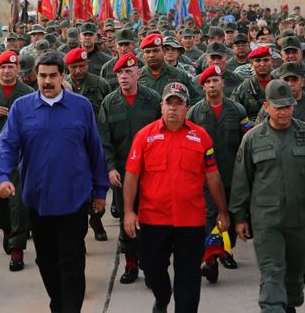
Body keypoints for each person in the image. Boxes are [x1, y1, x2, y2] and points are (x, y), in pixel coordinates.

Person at [0, 52, 109, 313]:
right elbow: (7, 145)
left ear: (62, 76)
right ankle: (58, 303)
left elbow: (95, 150)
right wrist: (2, 177)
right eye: (42, 75)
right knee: (46, 260)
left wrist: (100, 189)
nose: (47, 81)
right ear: (36, 75)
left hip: (74, 199)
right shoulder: (22, 108)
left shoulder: (80, 107)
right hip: (38, 199)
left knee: (72, 261)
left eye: (53, 75)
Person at [229, 80, 305, 313]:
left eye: (288, 106)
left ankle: (289, 304)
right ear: (266, 107)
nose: (283, 112)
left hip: (300, 219)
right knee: (272, 271)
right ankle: (272, 307)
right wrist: (239, 217)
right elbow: (241, 181)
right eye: (278, 107)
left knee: (294, 274)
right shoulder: (253, 138)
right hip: (266, 219)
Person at [124, 82, 230, 313]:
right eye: (168, 103)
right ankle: (162, 298)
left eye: (178, 104)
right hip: (153, 220)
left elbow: (213, 177)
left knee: (189, 278)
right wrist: (129, 212)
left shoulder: (201, 137)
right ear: (161, 106)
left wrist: (223, 211)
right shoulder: (144, 136)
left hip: (190, 221)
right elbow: (131, 176)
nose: (173, 108)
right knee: (152, 270)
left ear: (187, 107)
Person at [97, 51, 161, 284]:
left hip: (152, 171)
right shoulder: (109, 103)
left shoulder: (153, 99)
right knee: (128, 216)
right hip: (124, 172)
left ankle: (150, 262)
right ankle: (131, 264)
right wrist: (111, 168)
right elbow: (104, 139)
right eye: (119, 73)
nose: (123, 77)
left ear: (138, 74)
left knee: (151, 218)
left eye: (128, 72)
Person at [188, 65, 251, 282]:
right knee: (210, 215)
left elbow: (247, 140)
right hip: (205, 175)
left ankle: (226, 250)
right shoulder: (195, 112)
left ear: (222, 83)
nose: (212, 85)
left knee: (231, 213)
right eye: (208, 82)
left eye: (215, 80)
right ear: (203, 86)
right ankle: (211, 260)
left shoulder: (238, 110)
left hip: (233, 172)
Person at [0, 50, 35, 271]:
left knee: (19, 203)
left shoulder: (29, 93)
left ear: (18, 69)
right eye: (2, 67)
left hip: (22, 156)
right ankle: (6, 230)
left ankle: (17, 248)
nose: (6, 71)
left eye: (10, 67)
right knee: (1, 205)